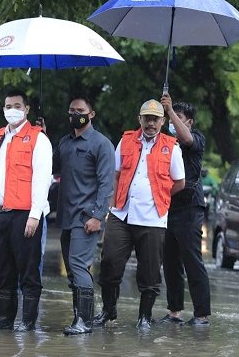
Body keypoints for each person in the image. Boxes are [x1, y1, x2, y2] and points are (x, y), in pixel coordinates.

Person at [94, 99, 185, 330]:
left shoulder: (171, 147)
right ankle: (108, 310)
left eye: (155, 119)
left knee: (150, 271)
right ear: (140, 120)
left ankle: (144, 316)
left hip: (153, 217)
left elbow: (180, 182)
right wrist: (113, 204)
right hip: (121, 213)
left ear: (162, 121)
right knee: (109, 262)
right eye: (147, 118)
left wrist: (160, 196)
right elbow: (115, 175)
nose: (151, 123)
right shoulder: (125, 141)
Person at [0, 89, 52, 332]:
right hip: (0, 214)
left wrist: (34, 215)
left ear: (27, 109)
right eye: (8, 106)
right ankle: (3, 321)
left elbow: (42, 179)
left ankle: (27, 323)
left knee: (28, 272)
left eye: (17, 105)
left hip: (25, 215)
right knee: (3, 270)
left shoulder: (39, 139)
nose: (12, 110)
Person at [53, 96, 115, 335]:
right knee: (72, 271)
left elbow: (106, 183)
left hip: (86, 217)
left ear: (92, 114)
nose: (75, 114)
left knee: (79, 266)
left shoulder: (101, 144)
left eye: (80, 110)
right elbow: (52, 165)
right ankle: (79, 316)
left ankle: (85, 322)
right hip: (66, 217)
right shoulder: (66, 143)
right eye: (71, 110)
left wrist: (98, 216)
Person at [159, 95, 212, 326]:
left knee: (192, 259)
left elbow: (187, 139)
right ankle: (174, 311)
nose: (171, 121)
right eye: (170, 117)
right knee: (170, 261)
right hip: (168, 205)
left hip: (190, 207)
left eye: (178, 118)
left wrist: (169, 110)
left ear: (188, 121)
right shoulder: (164, 142)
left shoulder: (196, 137)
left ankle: (201, 314)